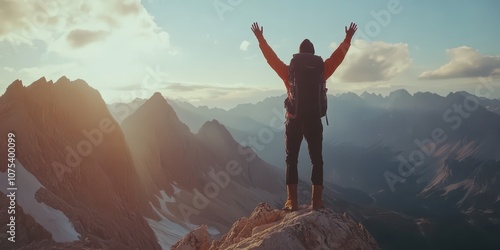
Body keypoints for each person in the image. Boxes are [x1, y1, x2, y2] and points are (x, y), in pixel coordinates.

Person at [251, 22, 357, 210]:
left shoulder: (289, 72)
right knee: (317, 159)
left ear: (299, 55)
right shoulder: (322, 70)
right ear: (313, 55)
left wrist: (260, 39)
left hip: (294, 120)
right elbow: (338, 57)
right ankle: (317, 202)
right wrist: (348, 38)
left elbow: (271, 59)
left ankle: (292, 201)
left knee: (291, 159)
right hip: (314, 121)